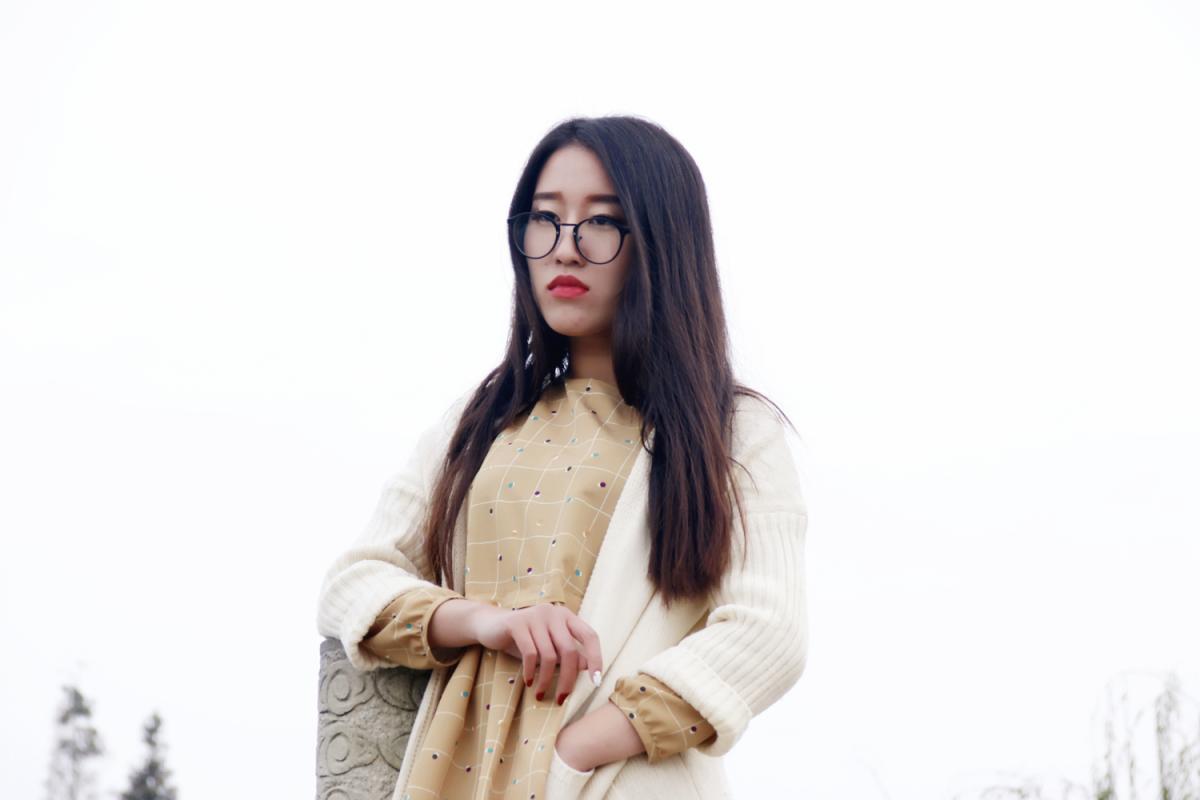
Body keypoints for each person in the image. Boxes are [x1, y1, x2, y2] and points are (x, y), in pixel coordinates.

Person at [316, 115, 809, 800]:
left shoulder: (731, 432)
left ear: (662, 241)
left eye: (601, 222)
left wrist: (576, 752)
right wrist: (487, 622)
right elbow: (353, 585)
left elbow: (769, 632)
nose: (565, 249)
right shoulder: (478, 423)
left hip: (612, 779)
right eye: (544, 219)